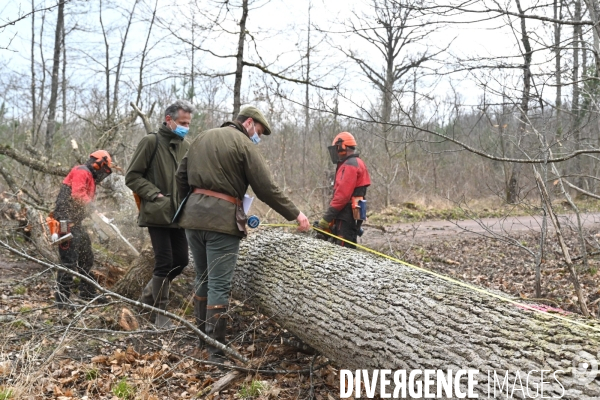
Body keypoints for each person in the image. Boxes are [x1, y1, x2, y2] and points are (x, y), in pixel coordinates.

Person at [175, 106, 310, 361]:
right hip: (221, 223)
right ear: (248, 122)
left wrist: (192, 207)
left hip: (192, 220)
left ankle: (202, 341)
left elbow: (181, 176)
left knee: (202, 278)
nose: (256, 137)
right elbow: (266, 188)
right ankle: (216, 352)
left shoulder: (201, 137)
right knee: (219, 284)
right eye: (257, 131)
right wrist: (296, 214)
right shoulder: (244, 145)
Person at [125, 100, 193, 328]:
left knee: (181, 261)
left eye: (188, 123)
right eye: (182, 122)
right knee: (164, 262)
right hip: (157, 213)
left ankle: (147, 298)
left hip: (179, 215)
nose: (186, 126)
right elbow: (132, 177)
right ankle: (159, 316)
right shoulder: (151, 141)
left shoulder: (186, 146)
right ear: (169, 120)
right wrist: (155, 195)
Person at [52, 150, 113, 308]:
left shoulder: (90, 177)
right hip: (65, 222)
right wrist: (94, 209)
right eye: (104, 169)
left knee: (87, 257)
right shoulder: (82, 171)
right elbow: (78, 194)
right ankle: (62, 300)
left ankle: (88, 293)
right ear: (98, 164)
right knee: (68, 260)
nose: (103, 174)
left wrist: (96, 216)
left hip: (76, 223)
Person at [317, 132, 371, 249]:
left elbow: (342, 196)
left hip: (346, 213)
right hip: (353, 212)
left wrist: (327, 218)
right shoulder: (358, 162)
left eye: (336, 148)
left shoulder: (349, 165)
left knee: (342, 249)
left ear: (342, 147)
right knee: (348, 245)